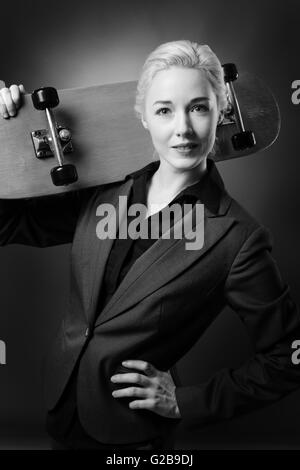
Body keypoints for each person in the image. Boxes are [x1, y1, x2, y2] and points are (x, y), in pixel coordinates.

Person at [0, 39, 300, 450]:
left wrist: (185, 402)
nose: (183, 129)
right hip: (60, 409)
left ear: (222, 112)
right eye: (164, 110)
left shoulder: (238, 238)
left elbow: (288, 358)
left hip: (134, 435)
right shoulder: (104, 194)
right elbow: (8, 226)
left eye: (199, 107)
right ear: (143, 117)